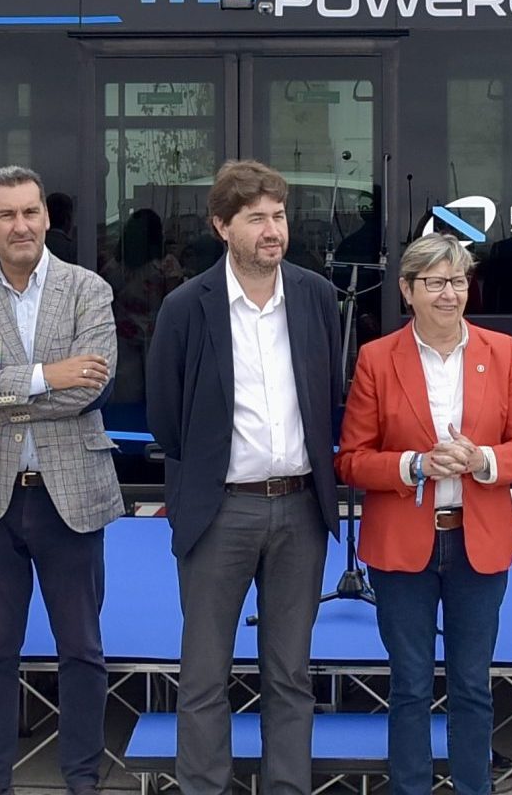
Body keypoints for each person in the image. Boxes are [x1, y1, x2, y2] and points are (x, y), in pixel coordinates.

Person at [145, 160, 343, 795]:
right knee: (204, 675)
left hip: (300, 510)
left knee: (291, 674)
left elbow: (329, 395)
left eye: (278, 216)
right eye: (255, 217)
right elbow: (164, 416)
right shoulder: (185, 305)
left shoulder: (315, 295)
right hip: (219, 511)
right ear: (221, 226)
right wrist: (207, 476)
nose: (271, 230)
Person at [0, 167, 123, 795]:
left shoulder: (87, 289)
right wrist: (45, 374)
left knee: (82, 649)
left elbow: (89, 387)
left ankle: (82, 780)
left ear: (47, 218)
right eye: (7, 215)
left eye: (32, 212)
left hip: (70, 491)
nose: (22, 226)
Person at [335, 234, 512, 795]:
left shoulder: (501, 353)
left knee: (473, 683)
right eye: (435, 282)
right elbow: (351, 460)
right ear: (407, 290)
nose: (450, 294)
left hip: (478, 542)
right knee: (409, 685)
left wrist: (483, 460)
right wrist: (414, 465)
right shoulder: (377, 358)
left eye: (458, 281)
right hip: (403, 545)